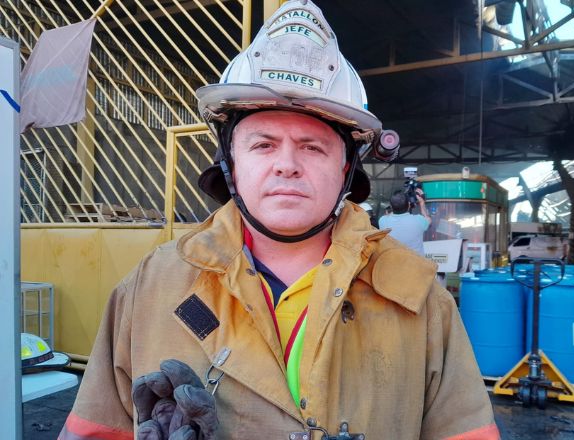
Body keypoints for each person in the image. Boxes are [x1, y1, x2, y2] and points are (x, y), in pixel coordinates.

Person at [59, 1, 498, 439]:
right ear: (230, 160)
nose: (287, 165)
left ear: (347, 166)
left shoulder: (421, 299)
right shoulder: (151, 286)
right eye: (263, 144)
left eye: (312, 147)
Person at [379, 188, 432, 255]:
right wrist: (422, 202)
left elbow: (388, 214)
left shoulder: (382, 221)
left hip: (393, 261)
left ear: (391, 207)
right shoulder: (419, 220)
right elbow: (428, 219)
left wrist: (395, 206)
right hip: (415, 261)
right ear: (409, 205)